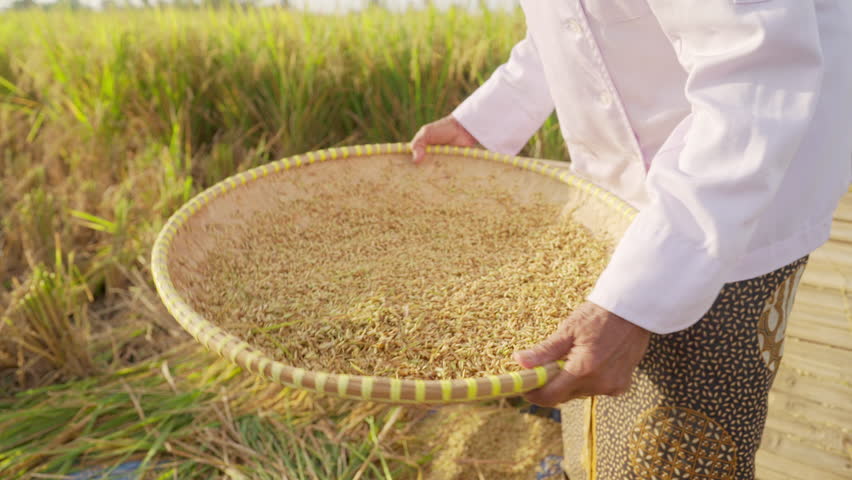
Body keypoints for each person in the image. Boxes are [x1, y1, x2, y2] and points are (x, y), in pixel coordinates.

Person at [410, 1, 852, 479]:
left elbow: (755, 75)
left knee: (677, 456)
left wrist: (637, 297)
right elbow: (563, 28)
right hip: (619, 205)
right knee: (594, 411)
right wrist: (484, 122)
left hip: (726, 200)